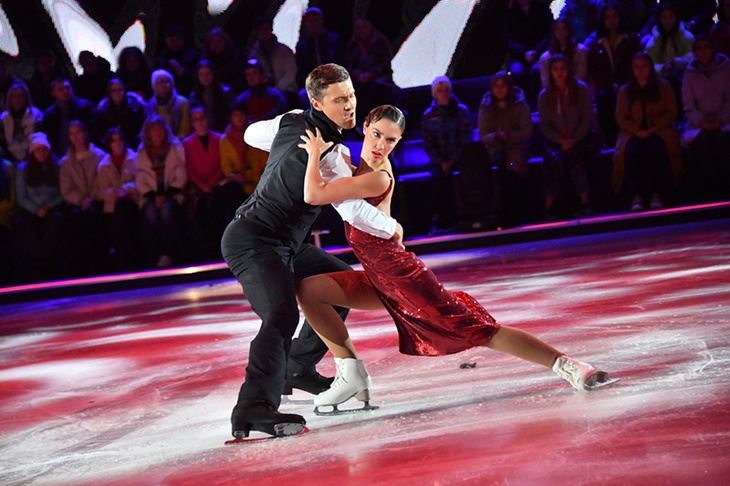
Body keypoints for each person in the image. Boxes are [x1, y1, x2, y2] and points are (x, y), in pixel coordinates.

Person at [295, 105, 615, 412]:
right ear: (365, 126)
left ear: (399, 142)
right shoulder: (357, 170)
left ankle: (568, 365)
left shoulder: (377, 177)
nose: (381, 145)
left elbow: (315, 194)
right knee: (310, 291)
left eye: (390, 140)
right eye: (377, 134)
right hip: (379, 280)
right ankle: (350, 372)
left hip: (403, 278)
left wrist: (312, 155)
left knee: (480, 331)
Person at [220, 63, 402, 439]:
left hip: (287, 243)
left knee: (340, 286)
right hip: (253, 239)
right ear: (317, 103)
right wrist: (393, 228)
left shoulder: (291, 120)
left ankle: (297, 367)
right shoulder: (332, 156)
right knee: (280, 314)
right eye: (339, 100)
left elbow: (252, 133)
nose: (349, 106)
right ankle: (254, 404)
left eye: (351, 96)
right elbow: (352, 211)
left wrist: (283, 143)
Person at [613, 52, 681, 211]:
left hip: (659, 130)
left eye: (644, 66)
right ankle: (636, 195)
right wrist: (636, 130)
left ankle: (657, 193)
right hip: (633, 133)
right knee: (631, 152)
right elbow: (620, 117)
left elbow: (671, 112)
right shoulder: (624, 91)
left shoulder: (663, 86)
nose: (641, 70)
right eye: (636, 67)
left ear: (651, 67)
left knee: (656, 150)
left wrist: (655, 128)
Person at [538, 54, 600, 220]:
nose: (560, 73)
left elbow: (587, 119)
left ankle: (585, 204)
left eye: (563, 69)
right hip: (556, 142)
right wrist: (560, 140)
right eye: (555, 69)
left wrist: (574, 139)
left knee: (574, 159)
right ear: (550, 72)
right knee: (554, 162)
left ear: (569, 70)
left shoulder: (581, 90)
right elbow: (545, 125)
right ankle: (549, 208)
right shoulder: (544, 96)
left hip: (581, 139)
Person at [478, 72, 534, 227]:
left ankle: (518, 213)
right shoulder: (486, 107)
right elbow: (483, 134)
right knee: (494, 171)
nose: (500, 89)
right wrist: (495, 137)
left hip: (515, 148)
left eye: (503, 85)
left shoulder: (520, 104)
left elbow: (527, 131)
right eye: (496, 86)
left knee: (513, 168)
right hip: (494, 150)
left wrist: (509, 136)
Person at [680, 36, 730, 202]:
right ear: (694, 52)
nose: (703, 51)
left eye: (706, 46)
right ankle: (709, 188)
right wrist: (702, 122)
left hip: (725, 121)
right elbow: (688, 105)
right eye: (699, 48)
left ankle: (725, 185)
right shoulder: (689, 73)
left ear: (713, 48)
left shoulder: (726, 68)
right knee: (703, 140)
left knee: (720, 138)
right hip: (699, 124)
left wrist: (720, 120)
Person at [421, 75, 472, 234]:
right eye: (440, 91)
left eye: (446, 90)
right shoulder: (428, 115)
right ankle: (441, 219)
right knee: (438, 179)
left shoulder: (461, 111)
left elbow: (466, 138)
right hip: (439, 161)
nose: (443, 93)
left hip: (459, 158)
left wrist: (453, 159)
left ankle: (463, 215)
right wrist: (441, 161)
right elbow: (428, 142)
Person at [135, 115, 187, 268]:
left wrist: (165, 195)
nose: (157, 133)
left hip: (172, 193)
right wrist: (154, 196)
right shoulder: (142, 153)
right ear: (148, 133)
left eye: (160, 129)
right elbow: (140, 180)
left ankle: (167, 253)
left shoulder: (175, 149)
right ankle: (154, 255)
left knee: (166, 211)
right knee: (150, 213)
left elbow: (181, 176)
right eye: (154, 130)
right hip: (150, 196)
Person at [587, 2, 642, 147]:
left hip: (629, 82)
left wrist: (624, 83)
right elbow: (594, 70)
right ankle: (611, 140)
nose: (612, 20)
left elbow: (636, 63)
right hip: (607, 85)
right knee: (604, 98)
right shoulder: (596, 43)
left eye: (615, 16)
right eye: (608, 17)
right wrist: (610, 84)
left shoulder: (631, 39)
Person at [12, 132, 65, 283]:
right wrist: (36, 209)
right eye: (38, 150)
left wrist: (48, 207)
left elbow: (62, 194)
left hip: (51, 207)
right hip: (30, 209)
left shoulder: (56, 166)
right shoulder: (22, 169)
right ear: (32, 152)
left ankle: (47, 263)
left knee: (56, 221)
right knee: (24, 224)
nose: (42, 153)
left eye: (44, 149)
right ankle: (39, 262)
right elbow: (21, 197)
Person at [58, 120, 107, 277]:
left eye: (78, 132)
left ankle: (98, 266)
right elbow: (66, 189)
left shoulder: (99, 156)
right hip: (77, 204)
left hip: (97, 201)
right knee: (75, 221)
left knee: (94, 218)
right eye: (72, 134)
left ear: (85, 133)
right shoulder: (66, 162)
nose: (76, 137)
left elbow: (102, 181)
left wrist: (91, 198)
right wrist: (81, 200)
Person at [182, 106, 226, 260]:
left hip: (217, 185)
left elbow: (221, 165)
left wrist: (213, 183)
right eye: (196, 119)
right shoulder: (187, 143)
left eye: (202, 118)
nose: (200, 122)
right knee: (200, 209)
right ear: (192, 122)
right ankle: (206, 250)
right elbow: (190, 169)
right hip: (199, 187)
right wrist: (201, 185)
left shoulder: (219, 139)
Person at [95, 128, 141, 272]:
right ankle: (123, 262)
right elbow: (102, 192)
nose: (118, 144)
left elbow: (140, 181)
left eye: (120, 140)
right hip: (113, 208)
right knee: (119, 212)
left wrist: (125, 190)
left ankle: (124, 256)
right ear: (109, 144)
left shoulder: (135, 159)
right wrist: (113, 193)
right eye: (114, 141)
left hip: (133, 203)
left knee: (125, 208)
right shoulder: (104, 165)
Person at [503, 0, 553, 109]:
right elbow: (508, 39)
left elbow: (549, 33)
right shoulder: (510, 13)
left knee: (537, 71)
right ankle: (520, 109)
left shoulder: (542, 9)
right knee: (517, 73)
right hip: (518, 56)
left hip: (539, 54)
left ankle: (537, 108)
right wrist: (523, 52)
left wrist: (536, 50)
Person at [345, 17, 395, 125]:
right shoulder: (352, 45)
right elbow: (350, 66)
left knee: (373, 89)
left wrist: (371, 74)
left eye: (364, 27)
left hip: (379, 77)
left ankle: (372, 120)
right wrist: (358, 75)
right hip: (361, 79)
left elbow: (384, 64)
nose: (362, 30)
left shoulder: (380, 42)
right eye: (358, 28)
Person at [219, 101, 266, 198]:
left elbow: (264, 160)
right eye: (235, 115)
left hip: (258, 180)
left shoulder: (256, 134)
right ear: (231, 117)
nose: (239, 118)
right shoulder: (225, 140)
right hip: (237, 183)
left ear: (246, 116)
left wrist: (250, 176)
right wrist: (235, 176)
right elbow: (226, 166)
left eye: (241, 114)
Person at [40, 78, 94, 157]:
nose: (65, 91)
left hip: (87, 153)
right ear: (53, 93)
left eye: (67, 88)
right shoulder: (49, 115)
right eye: (61, 89)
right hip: (59, 156)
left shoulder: (86, 108)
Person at [248, 16, 298, 102]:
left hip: (285, 90)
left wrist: (276, 90)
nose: (264, 32)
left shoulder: (284, 50)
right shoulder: (254, 55)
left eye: (266, 29)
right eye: (261, 29)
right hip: (262, 93)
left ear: (271, 29)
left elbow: (290, 74)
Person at [92, 78, 146, 150]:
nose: (117, 93)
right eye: (114, 90)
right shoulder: (102, 111)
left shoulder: (135, 108)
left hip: (132, 147)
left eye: (120, 89)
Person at [538, 17, 589, 89]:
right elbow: (546, 83)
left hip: (575, 90)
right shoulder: (545, 58)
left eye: (564, 28)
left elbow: (581, 77)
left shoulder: (581, 51)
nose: (561, 32)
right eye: (557, 29)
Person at [233, 59, 287, 124]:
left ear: (261, 75)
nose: (251, 77)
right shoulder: (241, 100)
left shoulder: (276, 96)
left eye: (254, 73)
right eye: (248, 74)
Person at [1, 83, 44, 163]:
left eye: (21, 96)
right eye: (14, 96)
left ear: (26, 98)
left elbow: (39, 140)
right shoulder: (3, 119)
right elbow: (2, 144)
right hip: (9, 159)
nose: (18, 99)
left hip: (32, 157)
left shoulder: (36, 115)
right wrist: (12, 160)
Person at [154, 24, 200, 98]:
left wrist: (182, 72)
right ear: (166, 40)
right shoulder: (160, 60)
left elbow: (198, 80)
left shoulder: (193, 56)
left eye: (177, 39)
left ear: (182, 39)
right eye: (171, 40)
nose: (175, 43)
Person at [145, 69, 192, 141]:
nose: (163, 84)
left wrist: (172, 142)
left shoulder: (182, 102)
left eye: (166, 81)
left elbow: (185, 130)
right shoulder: (149, 106)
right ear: (153, 86)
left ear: (172, 84)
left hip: (179, 143)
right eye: (159, 82)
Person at [188, 60, 233, 133]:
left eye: (208, 73)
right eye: (201, 75)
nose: (205, 77)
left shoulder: (225, 92)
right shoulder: (194, 96)